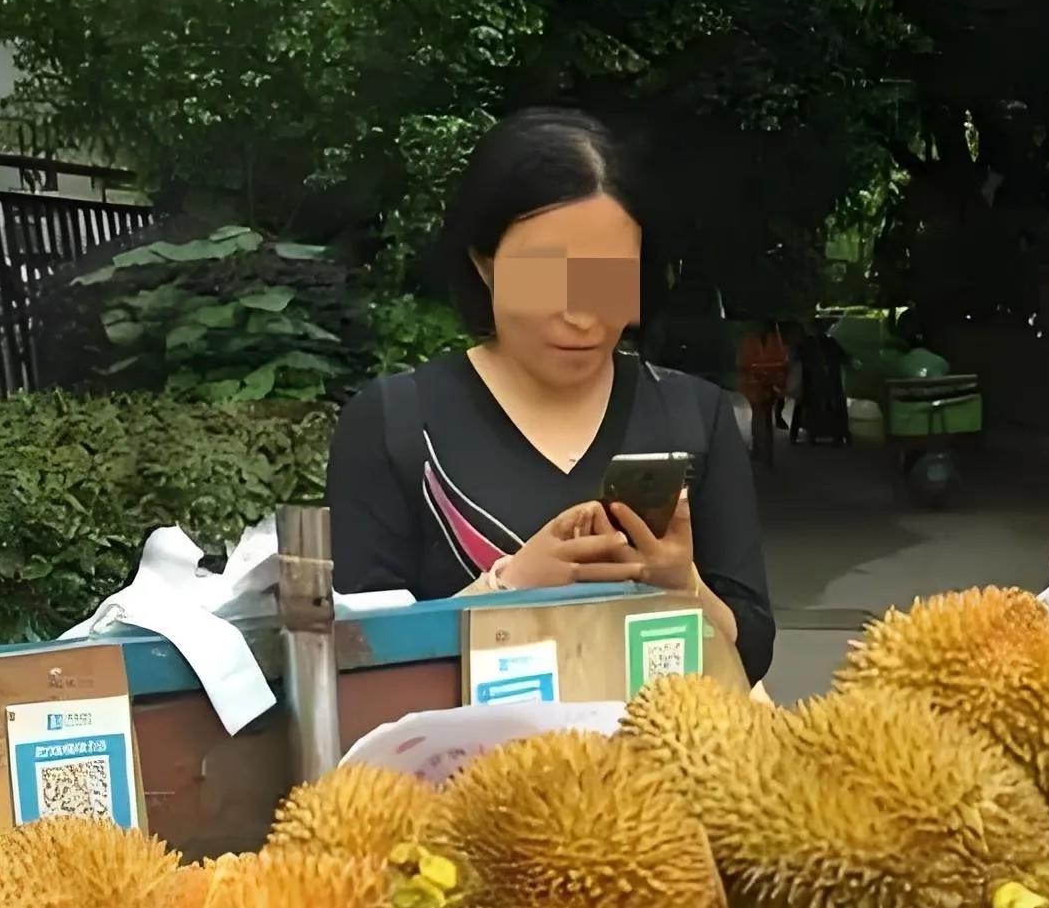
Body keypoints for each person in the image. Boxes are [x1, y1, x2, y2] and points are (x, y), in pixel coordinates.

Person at [327, 108, 773, 686]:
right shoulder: (394, 425)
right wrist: (508, 588)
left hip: (658, 767)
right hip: (459, 773)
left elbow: (753, 645)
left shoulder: (696, 418)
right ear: (483, 266)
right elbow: (355, 662)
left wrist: (683, 588)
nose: (581, 314)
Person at [737, 318, 791, 468]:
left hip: (769, 385)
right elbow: (743, 362)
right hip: (755, 385)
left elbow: (782, 362)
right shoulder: (756, 340)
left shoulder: (772, 340)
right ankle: (761, 450)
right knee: (759, 418)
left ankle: (763, 451)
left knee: (764, 418)